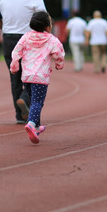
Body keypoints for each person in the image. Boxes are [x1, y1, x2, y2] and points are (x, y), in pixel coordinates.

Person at [0, 0, 47, 124]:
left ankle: (19, 115)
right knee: (32, 75)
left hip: (8, 38)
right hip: (29, 39)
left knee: (15, 76)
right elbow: (43, 19)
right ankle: (25, 99)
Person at [10, 11, 65, 144]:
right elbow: (59, 53)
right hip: (40, 77)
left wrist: (14, 66)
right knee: (37, 102)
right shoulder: (52, 39)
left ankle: (36, 126)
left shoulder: (26, 37)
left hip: (27, 76)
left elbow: (16, 51)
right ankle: (31, 123)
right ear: (48, 26)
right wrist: (59, 64)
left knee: (34, 101)